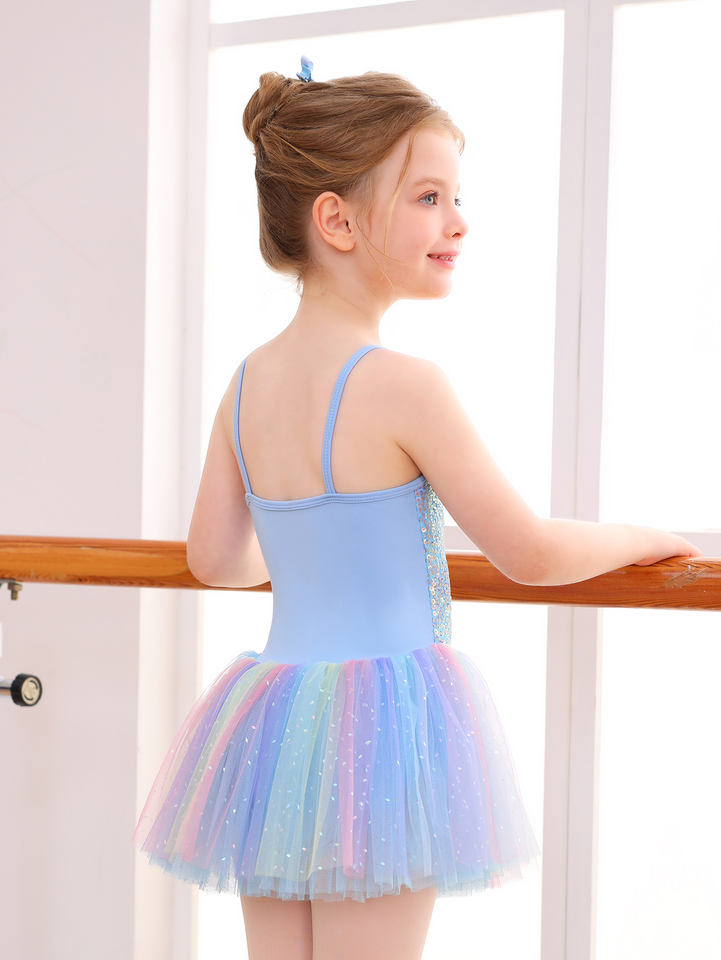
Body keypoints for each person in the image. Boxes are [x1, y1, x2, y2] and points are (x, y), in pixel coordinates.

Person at [133, 66, 703, 960]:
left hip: (274, 721)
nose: (458, 221)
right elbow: (528, 552)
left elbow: (215, 559)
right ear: (337, 220)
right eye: (429, 198)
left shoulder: (247, 383)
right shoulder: (402, 386)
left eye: (455, 197)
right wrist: (648, 537)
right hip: (377, 732)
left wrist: (317, 552)